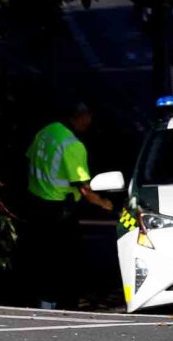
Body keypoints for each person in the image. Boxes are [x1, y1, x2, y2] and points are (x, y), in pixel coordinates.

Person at [25, 101, 113, 309]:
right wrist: (105, 203)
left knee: (44, 260)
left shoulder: (46, 132)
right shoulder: (72, 145)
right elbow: (84, 189)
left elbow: (29, 159)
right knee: (65, 262)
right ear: (81, 117)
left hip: (36, 203)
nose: (90, 122)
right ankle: (65, 306)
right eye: (89, 117)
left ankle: (45, 302)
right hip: (59, 211)